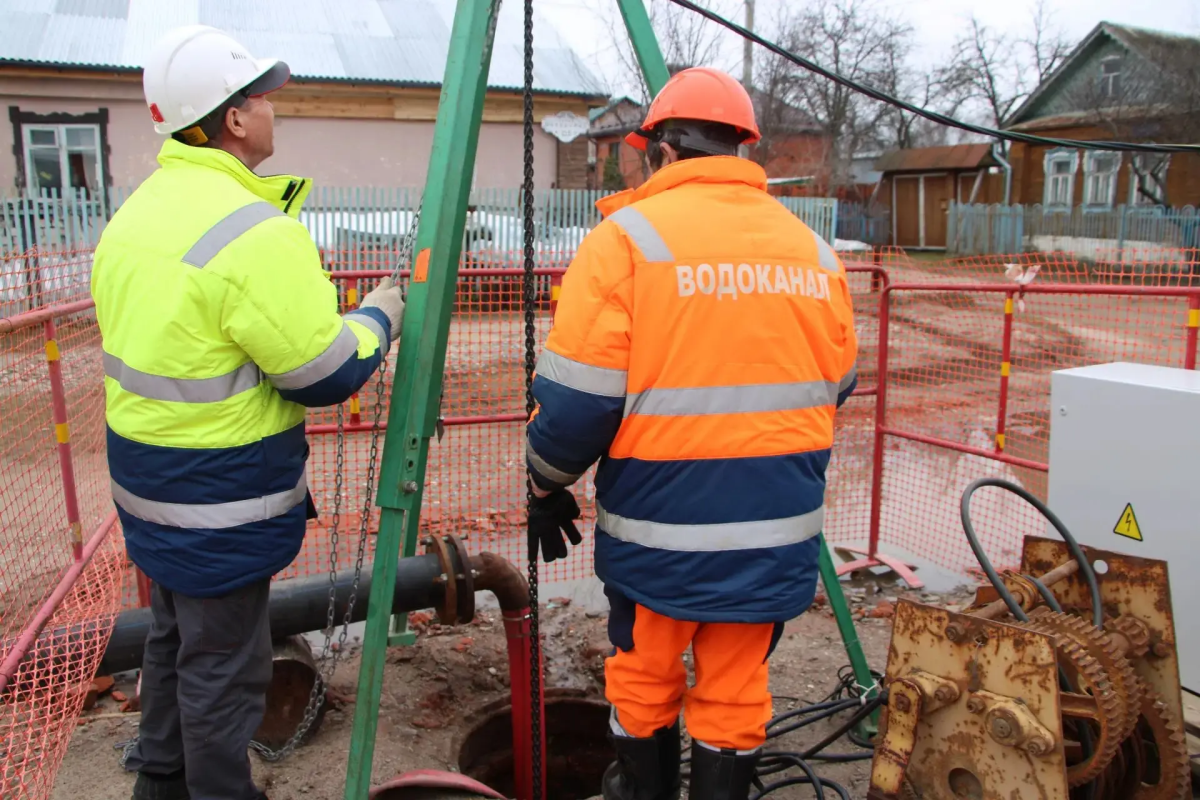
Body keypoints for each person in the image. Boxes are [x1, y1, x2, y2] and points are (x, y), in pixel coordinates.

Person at [524, 67, 858, 800]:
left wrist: (543, 484)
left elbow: (578, 404)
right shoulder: (813, 252)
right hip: (775, 534)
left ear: (665, 152)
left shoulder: (626, 243)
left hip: (661, 536)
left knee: (644, 681)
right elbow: (837, 385)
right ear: (742, 149)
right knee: (736, 694)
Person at [91, 25, 406, 800]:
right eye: (263, 98)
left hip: (148, 490)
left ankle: (159, 783)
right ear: (234, 119)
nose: (272, 110)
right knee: (224, 673)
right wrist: (380, 317)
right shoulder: (251, 231)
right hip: (219, 500)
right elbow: (325, 372)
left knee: (171, 642)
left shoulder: (135, 218)